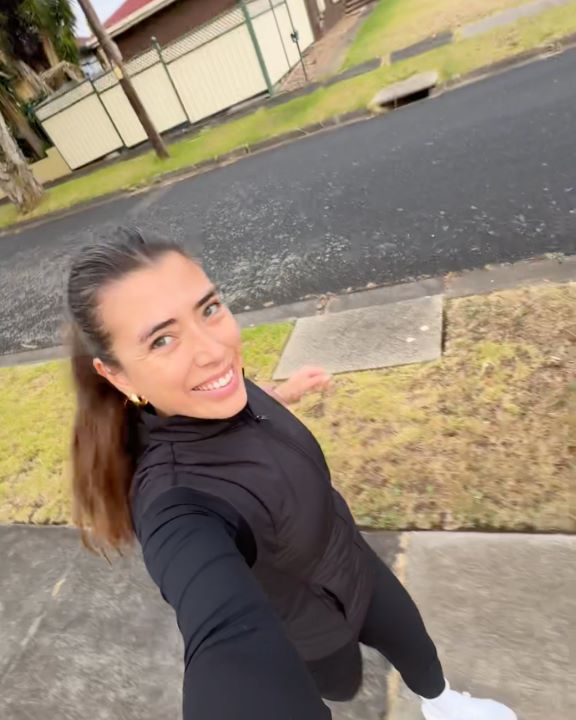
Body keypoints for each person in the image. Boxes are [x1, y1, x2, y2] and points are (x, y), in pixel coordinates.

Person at [67, 227, 517, 720]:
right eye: (163, 339)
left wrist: (284, 394)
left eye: (210, 309)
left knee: (416, 645)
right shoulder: (176, 504)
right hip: (310, 627)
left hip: (350, 556)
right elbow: (223, 640)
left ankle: (444, 704)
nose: (214, 351)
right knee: (341, 685)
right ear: (119, 376)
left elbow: (239, 404)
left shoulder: (214, 387)